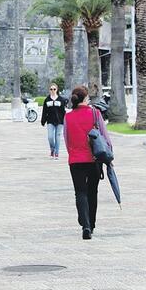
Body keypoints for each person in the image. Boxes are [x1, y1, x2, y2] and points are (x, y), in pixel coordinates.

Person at [63, 85, 112, 240]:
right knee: (92, 191)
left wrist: (73, 153)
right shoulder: (95, 113)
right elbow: (104, 136)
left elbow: (66, 139)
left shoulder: (68, 117)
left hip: (76, 160)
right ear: (85, 98)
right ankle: (91, 223)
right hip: (93, 159)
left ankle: (85, 224)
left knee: (80, 192)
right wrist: (110, 156)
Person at [40, 83, 69, 159]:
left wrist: (65, 120)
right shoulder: (47, 100)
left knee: (58, 137)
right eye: (51, 89)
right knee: (50, 137)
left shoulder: (61, 100)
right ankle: (52, 149)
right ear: (49, 90)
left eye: (54, 89)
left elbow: (63, 111)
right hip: (50, 121)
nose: (52, 91)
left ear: (57, 90)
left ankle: (56, 153)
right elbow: (44, 111)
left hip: (59, 121)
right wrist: (43, 120)